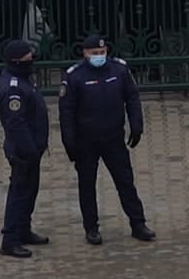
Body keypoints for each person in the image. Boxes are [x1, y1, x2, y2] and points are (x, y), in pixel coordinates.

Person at [58, 35, 156, 245]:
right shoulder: (74, 76)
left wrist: (136, 125)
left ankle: (138, 224)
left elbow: (132, 97)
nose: (99, 56)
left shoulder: (119, 69)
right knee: (87, 185)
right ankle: (91, 228)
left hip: (113, 138)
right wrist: (69, 143)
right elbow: (66, 112)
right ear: (85, 53)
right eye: (94, 53)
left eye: (102, 53)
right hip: (86, 141)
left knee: (125, 182)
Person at [0, 39, 50, 258]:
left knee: (30, 191)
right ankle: (10, 240)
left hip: (32, 149)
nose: (31, 63)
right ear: (15, 62)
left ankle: (23, 230)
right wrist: (29, 150)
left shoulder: (22, 79)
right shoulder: (14, 88)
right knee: (19, 193)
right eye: (27, 60)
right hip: (23, 151)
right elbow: (15, 123)